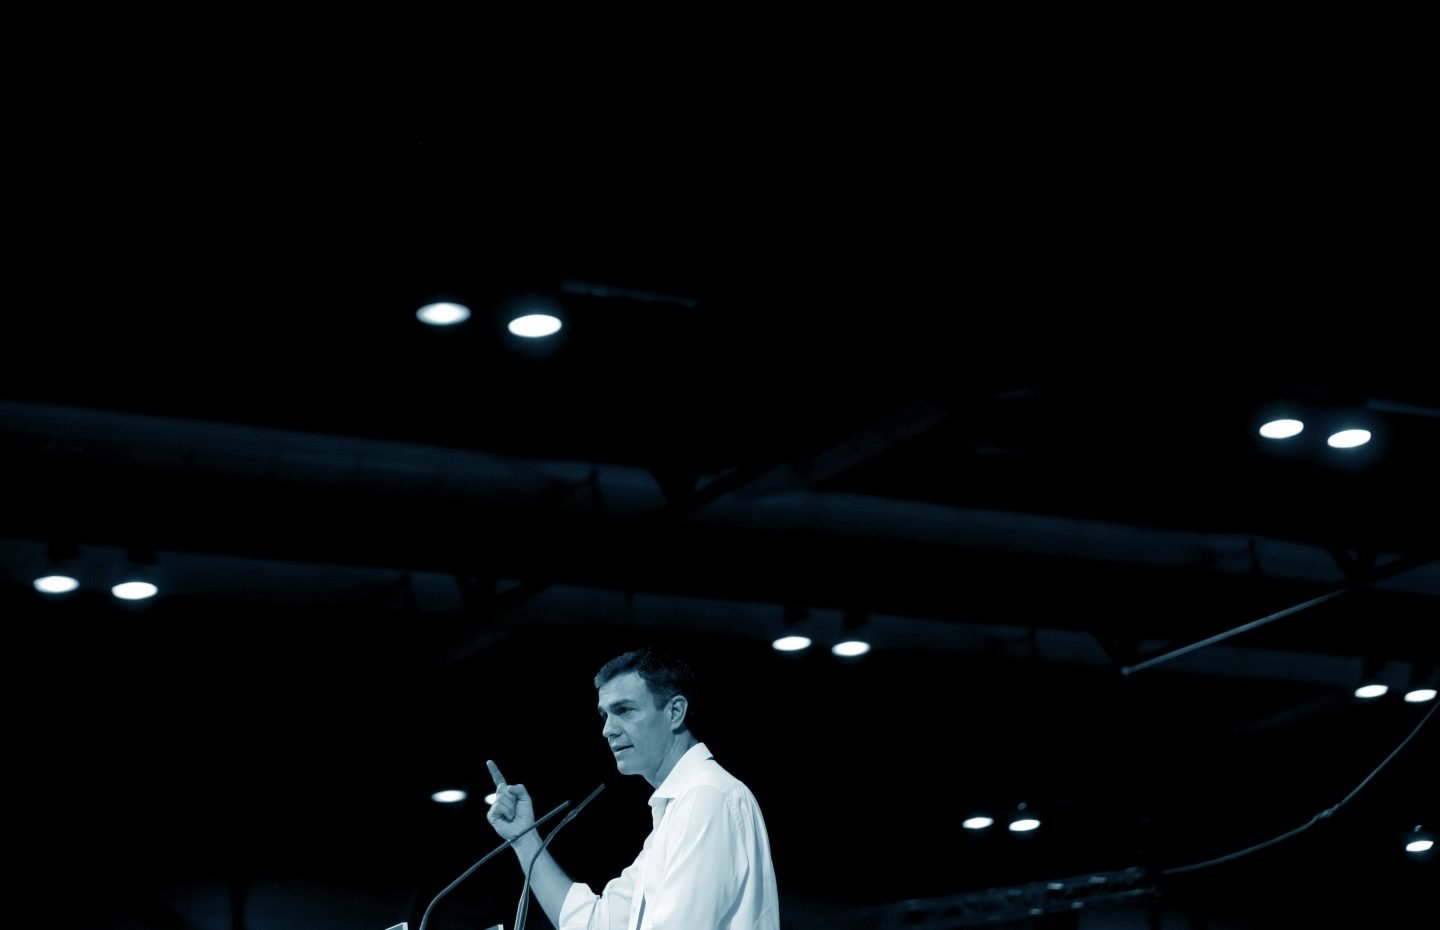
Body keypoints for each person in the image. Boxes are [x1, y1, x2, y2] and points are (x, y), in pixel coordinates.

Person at [485, 646, 780, 929]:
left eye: (624, 710)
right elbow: (596, 924)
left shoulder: (706, 796)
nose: (607, 729)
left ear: (675, 712)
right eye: (604, 715)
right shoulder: (678, 808)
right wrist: (524, 840)